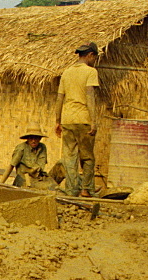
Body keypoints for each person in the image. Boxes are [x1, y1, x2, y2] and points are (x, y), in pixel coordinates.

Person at [55, 42, 100, 198]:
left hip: (67, 119)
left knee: (70, 157)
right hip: (83, 119)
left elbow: (60, 98)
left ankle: (71, 190)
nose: (94, 60)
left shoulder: (66, 73)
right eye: (95, 57)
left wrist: (58, 120)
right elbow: (90, 96)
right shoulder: (90, 72)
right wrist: (93, 121)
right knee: (87, 156)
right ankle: (86, 189)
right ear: (90, 55)